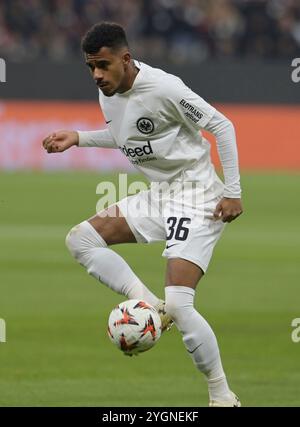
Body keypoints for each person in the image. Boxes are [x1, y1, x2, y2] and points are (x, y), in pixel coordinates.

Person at [42, 22, 243, 407]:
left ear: (126, 59)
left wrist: (232, 191)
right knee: (80, 239)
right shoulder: (109, 93)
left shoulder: (165, 87)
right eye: (90, 67)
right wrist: (80, 138)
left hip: (198, 197)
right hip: (159, 195)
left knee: (183, 304)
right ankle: (152, 307)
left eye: (102, 65)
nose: (97, 75)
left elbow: (222, 125)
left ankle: (221, 395)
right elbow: (126, 136)